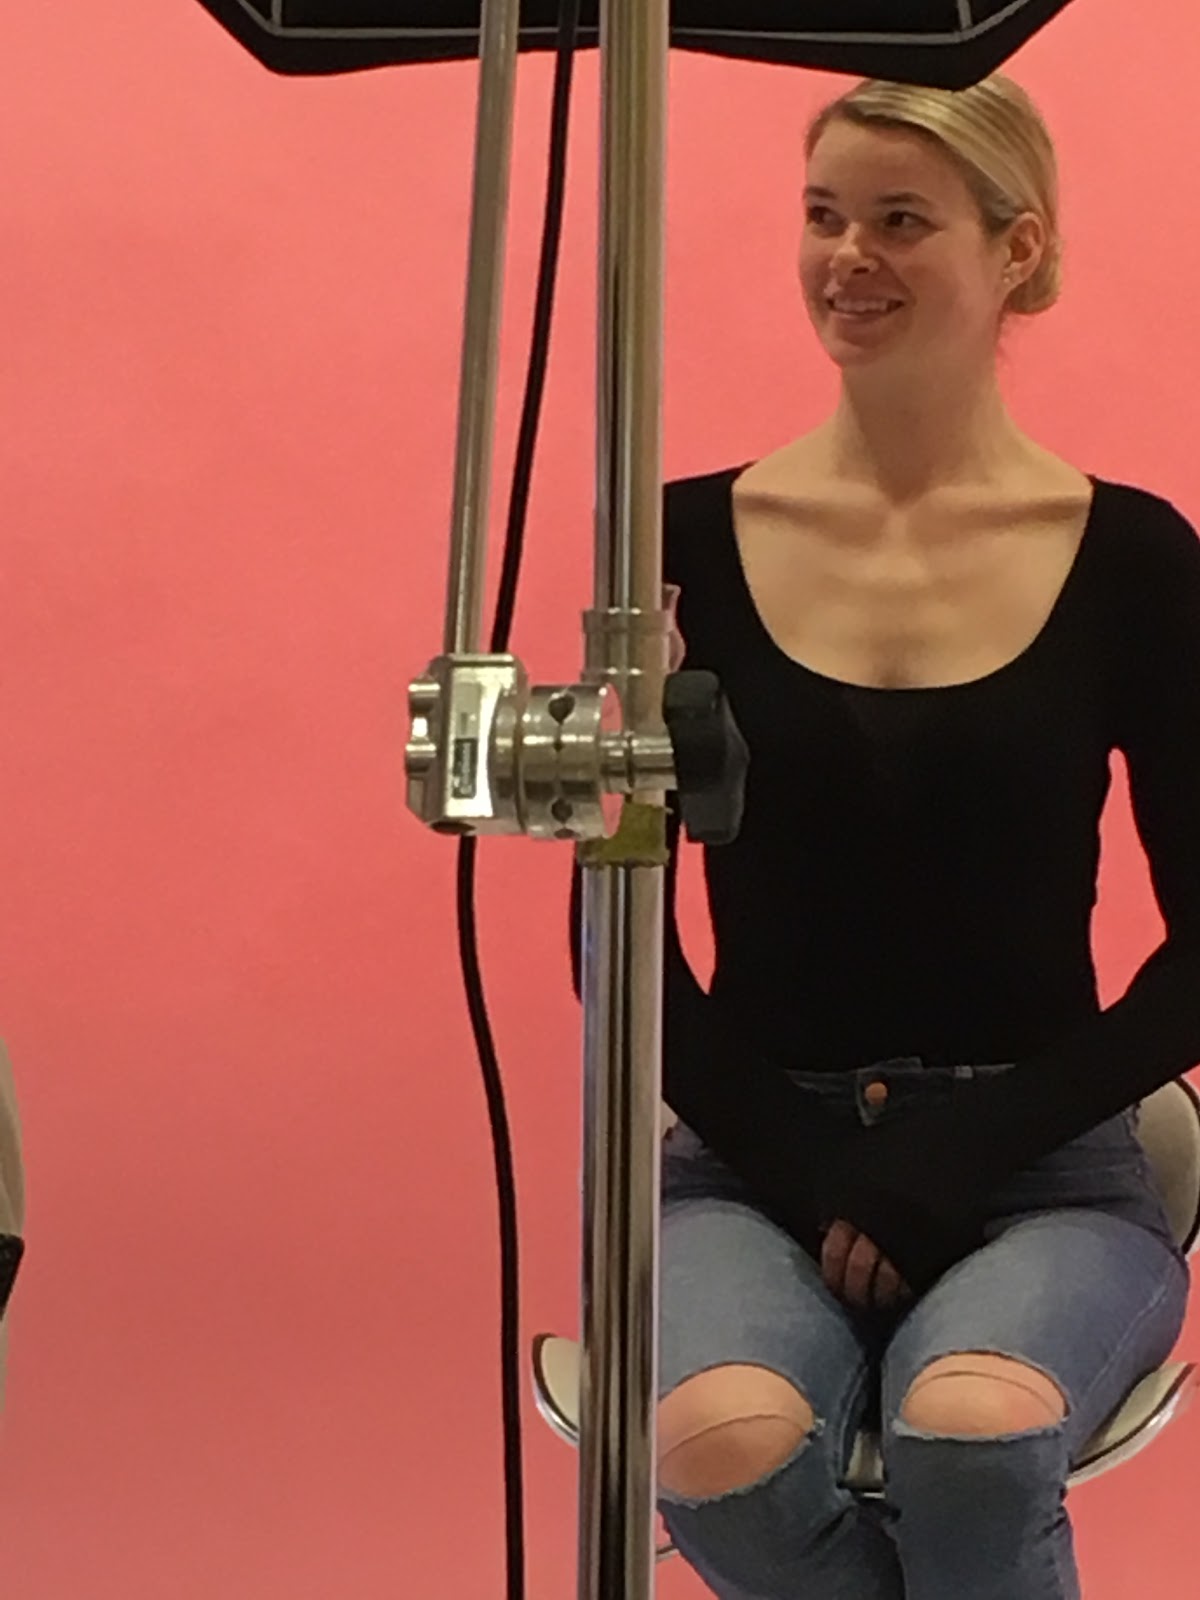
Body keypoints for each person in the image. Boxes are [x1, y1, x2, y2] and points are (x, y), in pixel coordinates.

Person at [636, 73, 1199, 1600]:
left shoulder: (1132, 559)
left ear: (1017, 249)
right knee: (721, 1454)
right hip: (752, 1162)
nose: (848, 258)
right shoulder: (675, 545)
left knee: (971, 1439)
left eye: (899, 220)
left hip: (1044, 1167)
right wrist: (814, 1161)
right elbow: (608, 932)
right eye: (824, 215)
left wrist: (960, 1151)